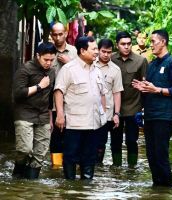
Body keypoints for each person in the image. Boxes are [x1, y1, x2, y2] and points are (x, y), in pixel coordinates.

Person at [132, 29, 172, 187]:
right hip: (150, 116)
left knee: (161, 155)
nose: (151, 45)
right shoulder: (152, 64)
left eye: (154, 41)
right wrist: (144, 87)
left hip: (164, 116)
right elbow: (151, 87)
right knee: (151, 156)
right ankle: (157, 190)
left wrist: (158, 90)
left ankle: (168, 189)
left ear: (163, 42)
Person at [54, 36, 107, 180]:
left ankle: (85, 189)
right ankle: (70, 188)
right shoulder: (69, 69)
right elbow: (59, 91)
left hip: (94, 124)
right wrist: (60, 114)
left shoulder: (97, 70)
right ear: (83, 51)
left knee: (90, 158)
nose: (97, 52)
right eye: (94, 49)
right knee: (70, 157)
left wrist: (104, 114)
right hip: (74, 123)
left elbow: (102, 94)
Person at [12, 42, 57, 179]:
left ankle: (31, 185)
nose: (48, 63)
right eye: (46, 60)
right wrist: (39, 86)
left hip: (43, 115)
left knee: (40, 154)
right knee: (25, 150)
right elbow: (18, 93)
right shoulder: (25, 69)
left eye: (51, 60)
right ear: (38, 56)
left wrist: (50, 120)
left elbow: (49, 98)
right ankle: (17, 176)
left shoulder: (52, 72)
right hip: (25, 114)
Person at [111, 31, 148, 167]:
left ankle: (132, 169)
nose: (126, 47)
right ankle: (116, 168)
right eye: (123, 44)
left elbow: (145, 85)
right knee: (115, 140)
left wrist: (143, 107)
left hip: (134, 107)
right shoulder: (111, 59)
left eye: (128, 44)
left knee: (132, 140)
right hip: (115, 109)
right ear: (117, 45)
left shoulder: (141, 61)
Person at [50, 22, 77, 169]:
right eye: (55, 34)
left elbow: (83, 72)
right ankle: (56, 169)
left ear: (66, 33)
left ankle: (71, 167)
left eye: (61, 34)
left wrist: (69, 63)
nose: (58, 37)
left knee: (72, 137)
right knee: (55, 138)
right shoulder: (47, 51)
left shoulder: (74, 51)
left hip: (72, 103)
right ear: (51, 35)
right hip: (52, 103)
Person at [95, 39, 123, 164]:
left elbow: (117, 92)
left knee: (101, 143)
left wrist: (116, 114)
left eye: (109, 52)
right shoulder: (91, 65)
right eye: (103, 51)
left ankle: (99, 168)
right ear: (98, 50)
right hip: (90, 112)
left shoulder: (115, 70)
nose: (106, 55)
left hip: (107, 114)